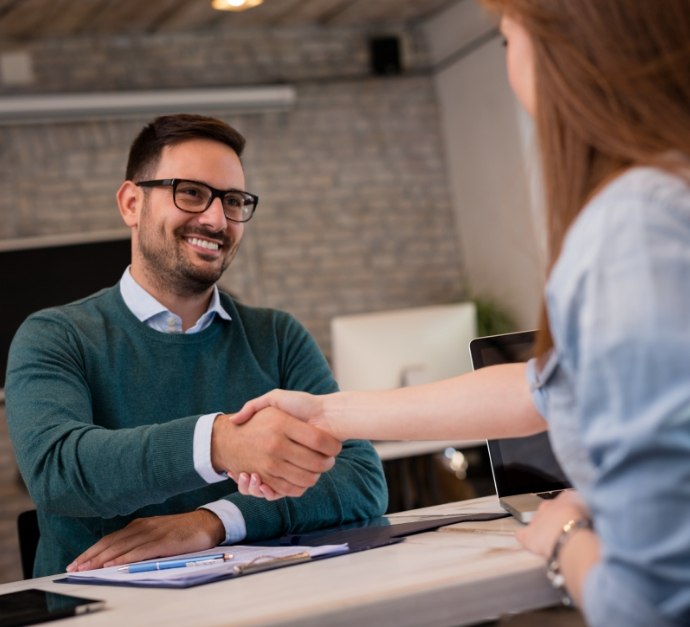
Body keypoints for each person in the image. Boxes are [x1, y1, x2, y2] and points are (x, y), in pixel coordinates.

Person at [232, 2, 690, 625]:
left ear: (566, 49)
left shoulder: (634, 224)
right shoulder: (663, 200)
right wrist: (327, 412)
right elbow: (543, 389)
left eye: (507, 43)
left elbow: (652, 603)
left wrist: (565, 536)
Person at [5, 113, 387, 578]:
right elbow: (57, 472)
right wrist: (219, 443)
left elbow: (361, 478)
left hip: (264, 603)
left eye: (233, 200)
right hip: (106, 612)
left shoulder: (277, 336)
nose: (215, 218)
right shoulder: (54, 336)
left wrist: (215, 522)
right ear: (131, 203)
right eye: (190, 192)